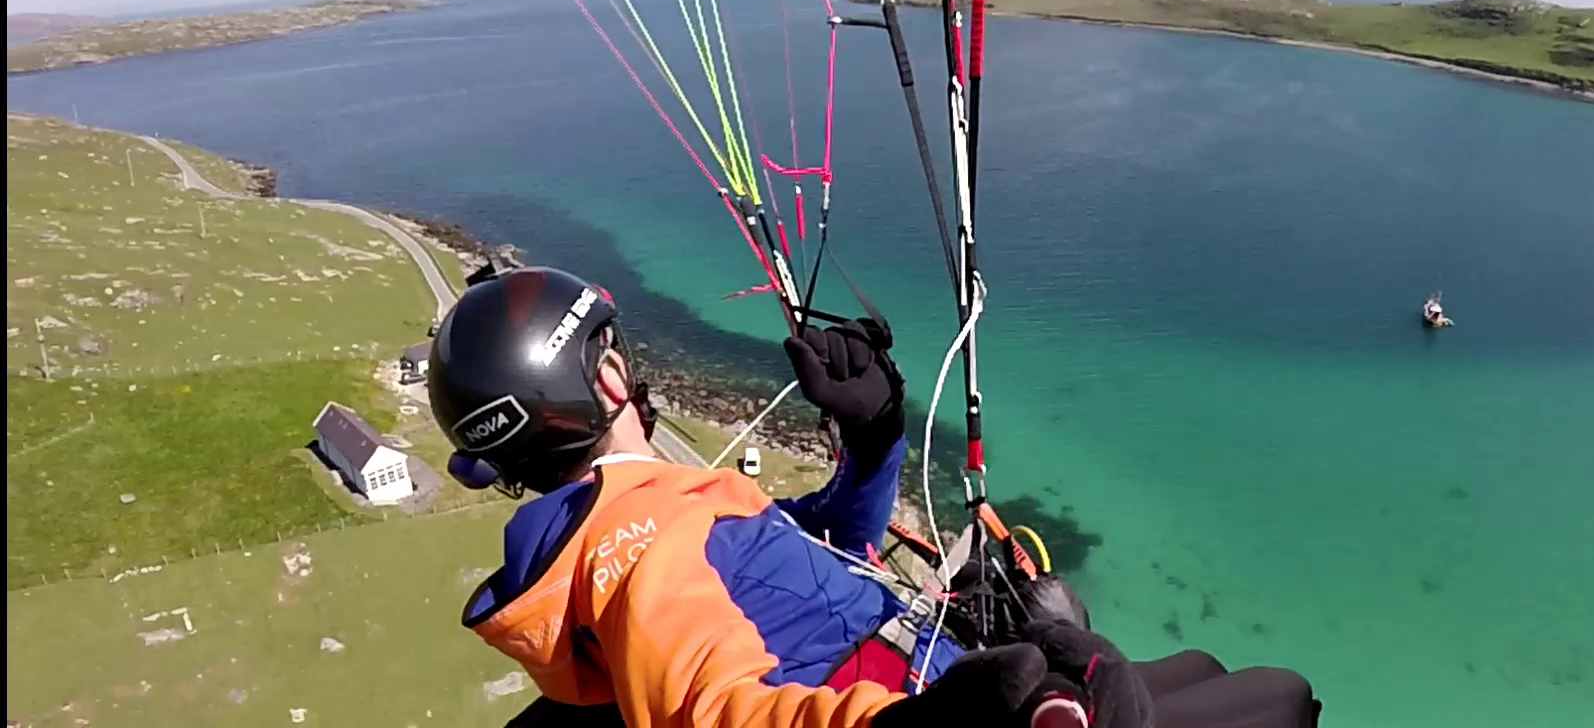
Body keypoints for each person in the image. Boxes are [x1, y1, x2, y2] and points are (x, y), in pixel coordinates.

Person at [427, 264, 1321, 728]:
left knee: (1219, 681)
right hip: (939, 703)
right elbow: (716, 704)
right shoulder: (639, 540)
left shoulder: (636, 518)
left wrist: (875, 438)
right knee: (1277, 697)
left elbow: (811, 551)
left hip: (939, 672)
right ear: (612, 377)